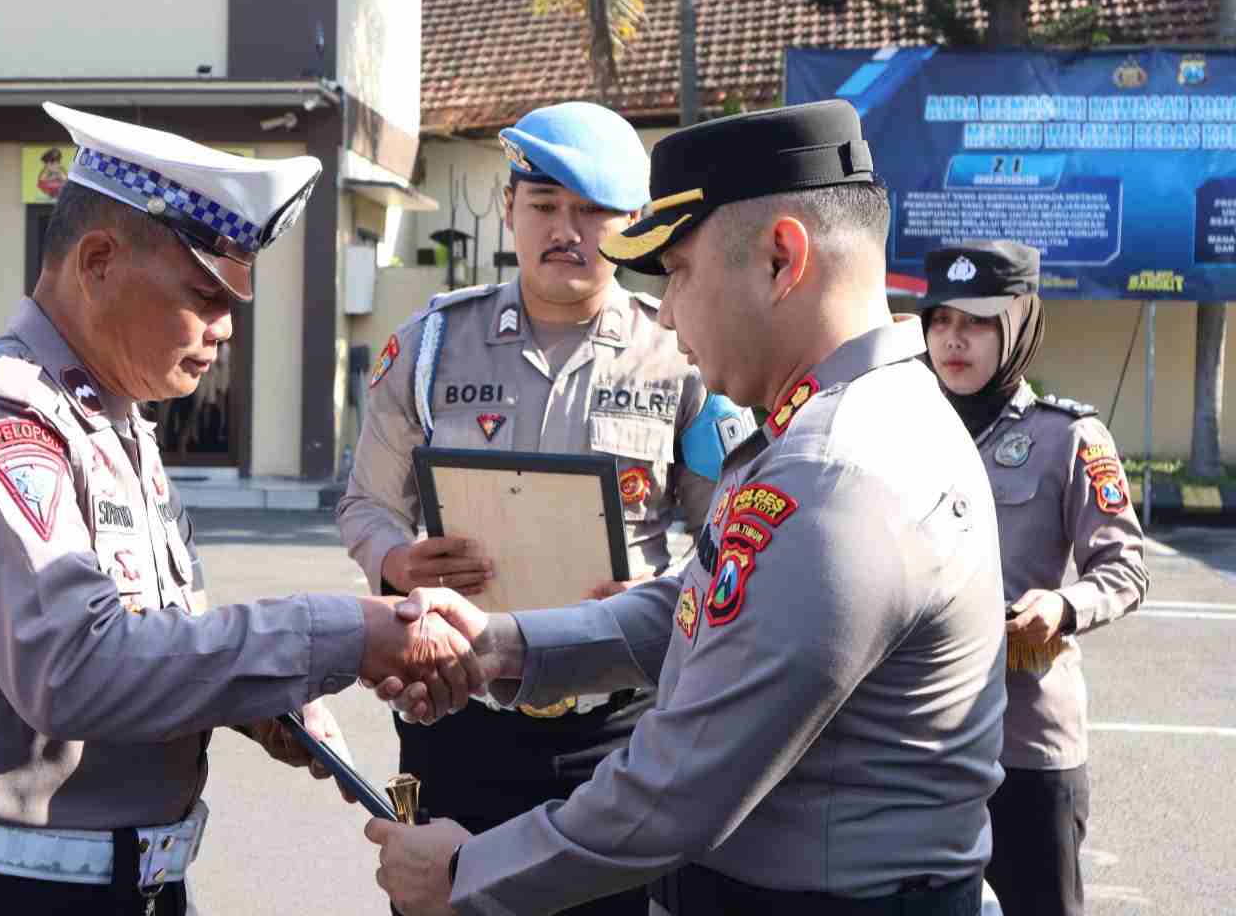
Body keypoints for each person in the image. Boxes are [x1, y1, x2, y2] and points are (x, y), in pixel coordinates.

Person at [0, 102, 485, 916]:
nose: (223, 332)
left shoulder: (115, 420)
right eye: (203, 297)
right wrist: (340, 631)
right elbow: (75, 668)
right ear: (98, 261)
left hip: (126, 879)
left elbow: (150, 636)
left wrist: (257, 699)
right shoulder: (1, 417)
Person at [366, 100, 1008, 916]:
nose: (664, 312)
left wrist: (465, 874)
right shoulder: (843, 425)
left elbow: (678, 787)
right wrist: (502, 645)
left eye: (677, 271)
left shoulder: (836, 473)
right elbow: (706, 604)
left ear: (782, 260)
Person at [337, 100, 748, 916]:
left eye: (594, 210)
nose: (569, 229)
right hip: (457, 703)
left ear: (633, 223)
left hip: (617, 721)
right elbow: (365, 503)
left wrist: (655, 598)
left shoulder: (684, 356)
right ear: (508, 209)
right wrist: (396, 560)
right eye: (546, 204)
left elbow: (729, 536)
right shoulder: (428, 346)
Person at [918, 240, 1149, 916]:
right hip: (916, 739)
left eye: (976, 322)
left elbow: (1125, 565)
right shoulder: (902, 428)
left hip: (1026, 739)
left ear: (1017, 325)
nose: (953, 341)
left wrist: (1065, 604)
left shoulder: (1068, 435)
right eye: (940, 320)